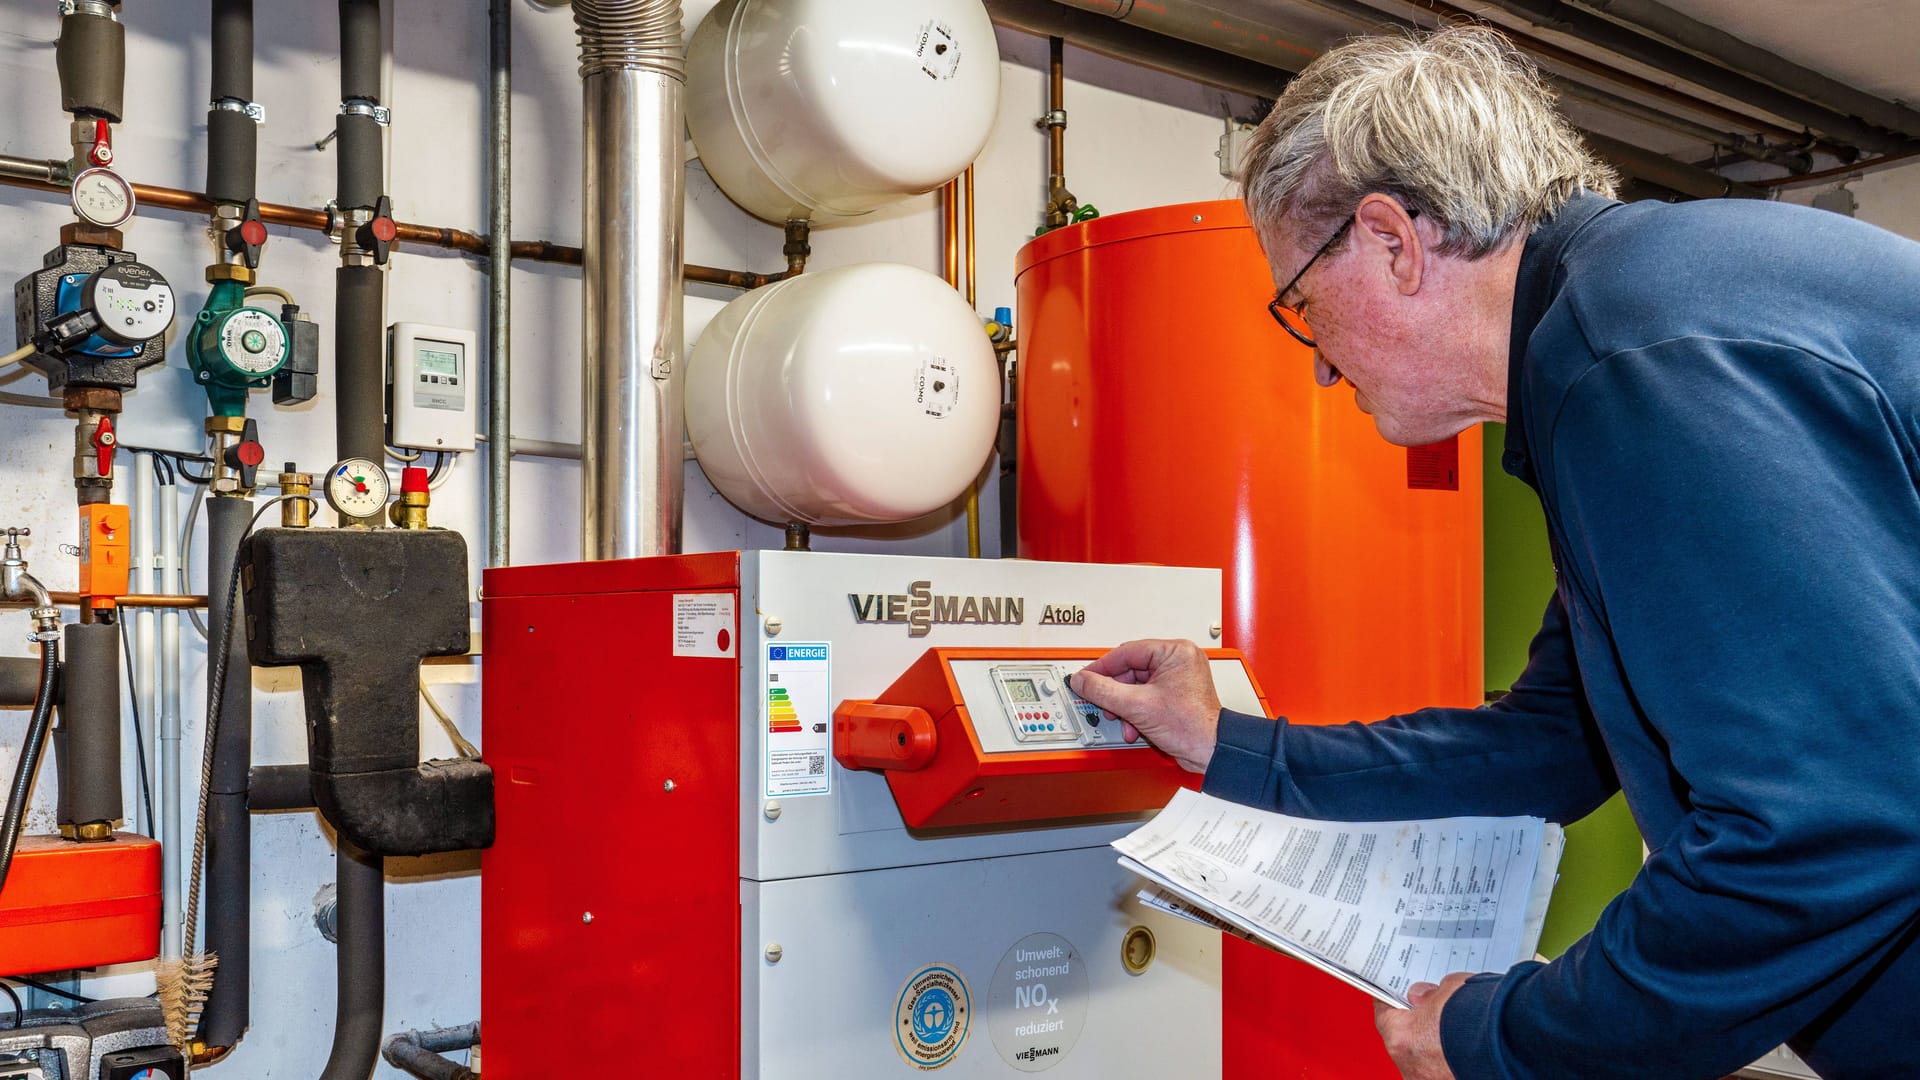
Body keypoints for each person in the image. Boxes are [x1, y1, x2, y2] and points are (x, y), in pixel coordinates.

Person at [1068, 25, 1920, 1080]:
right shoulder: (1624, 329)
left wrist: (1506, 1035)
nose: (1321, 370)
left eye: (1299, 306)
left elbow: (1827, 831)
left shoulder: (1638, 356)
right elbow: (1556, 743)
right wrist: (1236, 749)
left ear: (1390, 242)